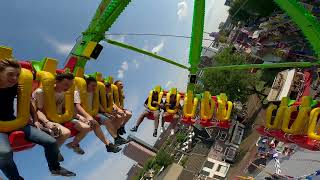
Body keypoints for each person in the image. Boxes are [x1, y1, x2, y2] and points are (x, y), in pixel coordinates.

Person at [0, 59, 75, 179]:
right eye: (10, 74)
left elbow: (28, 103)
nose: (14, 78)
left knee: (51, 142)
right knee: (4, 153)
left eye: (17, 75)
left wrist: (35, 119)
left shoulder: (15, 87)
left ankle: (55, 168)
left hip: (14, 122)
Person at [33, 73, 90, 159]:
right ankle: (55, 152)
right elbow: (38, 110)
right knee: (66, 133)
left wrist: (80, 117)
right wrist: (47, 122)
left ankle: (73, 144)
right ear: (57, 82)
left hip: (63, 117)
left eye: (70, 85)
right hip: (49, 119)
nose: (67, 87)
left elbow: (68, 110)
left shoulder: (67, 93)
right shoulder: (41, 92)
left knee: (86, 128)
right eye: (66, 84)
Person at [73, 77, 124, 151]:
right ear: (87, 85)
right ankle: (108, 145)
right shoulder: (77, 92)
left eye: (95, 86)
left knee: (107, 120)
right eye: (92, 85)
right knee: (95, 124)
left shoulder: (94, 93)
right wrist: (87, 117)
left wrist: (106, 112)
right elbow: (77, 106)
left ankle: (116, 138)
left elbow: (98, 104)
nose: (94, 87)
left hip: (93, 113)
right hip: (83, 114)